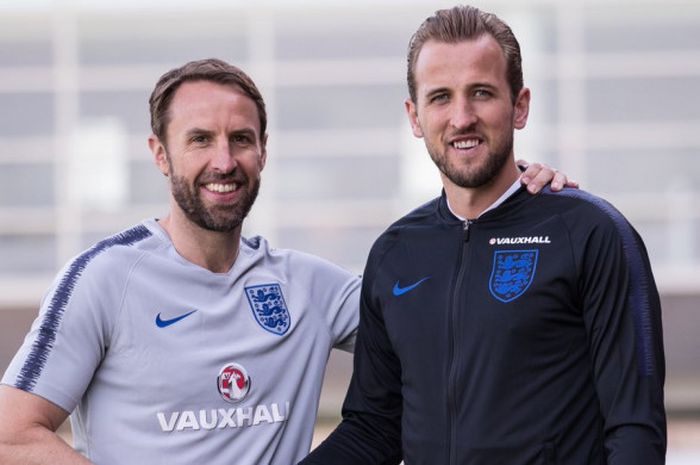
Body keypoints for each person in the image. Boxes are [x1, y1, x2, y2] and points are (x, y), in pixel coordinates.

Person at [0, 58, 570, 465]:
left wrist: (512, 201)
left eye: (240, 140)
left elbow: (446, 308)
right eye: (199, 140)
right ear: (159, 153)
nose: (224, 161)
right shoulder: (104, 279)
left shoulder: (307, 286)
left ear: (263, 151)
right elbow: (12, 434)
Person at [300, 5, 666, 465]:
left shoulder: (590, 233)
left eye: (481, 93)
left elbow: (635, 429)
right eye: (440, 98)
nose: (461, 117)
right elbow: (376, 425)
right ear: (414, 117)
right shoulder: (396, 253)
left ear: (520, 105)